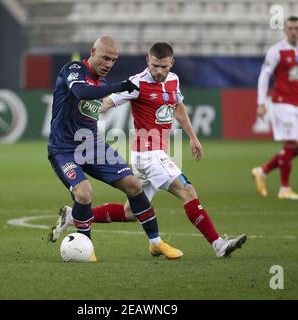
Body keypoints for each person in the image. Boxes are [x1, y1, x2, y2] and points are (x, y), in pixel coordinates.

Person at [49, 42, 246, 258]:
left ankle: (73, 216)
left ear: (172, 63)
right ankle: (218, 244)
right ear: (147, 61)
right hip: (148, 153)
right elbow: (104, 102)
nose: (160, 71)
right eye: (155, 66)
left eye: (164, 66)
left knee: (131, 211)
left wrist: (193, 137)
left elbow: (177, 106)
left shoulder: (174, 80)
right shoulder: (137, 83)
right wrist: (91, 109)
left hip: (156, 151)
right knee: (187, 191)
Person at [47, 36, 183, 262]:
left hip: (93, 146)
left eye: (113, 60)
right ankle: (86, 247)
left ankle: (156, 243)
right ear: (92, 52)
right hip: (63, 149)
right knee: (83, 192)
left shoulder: (100, 82)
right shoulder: (74, 70)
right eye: (105, 58)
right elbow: (81, 93)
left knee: (134, 184)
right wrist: (120, 87)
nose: (109, 64)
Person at [252, 16, 298, 200]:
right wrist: (261, 103)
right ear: (284, 30)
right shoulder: (277, 51)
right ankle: (284, 189)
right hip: (281, 102)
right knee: (290, 144)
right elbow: (264, 76)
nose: (293, 31)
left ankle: (262, 171)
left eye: (296, 28)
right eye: (290, 28)